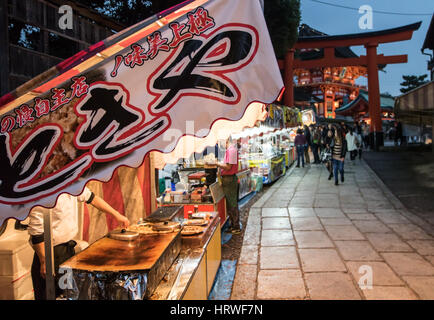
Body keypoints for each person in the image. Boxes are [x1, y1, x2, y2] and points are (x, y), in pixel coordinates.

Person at [28, 187, 130, 300]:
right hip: (49, 255)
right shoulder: (42, 194)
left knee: (66, 293)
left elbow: (93, 198)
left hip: (66, 253)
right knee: (49, 295)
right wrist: (44, 260)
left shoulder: (72, 185)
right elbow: (36, 233)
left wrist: (117, 215)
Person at [216, 137, 241, 234]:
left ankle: (236, 226)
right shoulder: (231, 150)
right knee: (231, 203)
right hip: (230, 179)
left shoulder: (231, 150)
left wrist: (216, 163)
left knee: (232, 203)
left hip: (229, 179)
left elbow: (228, 166)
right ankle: (233, 224)